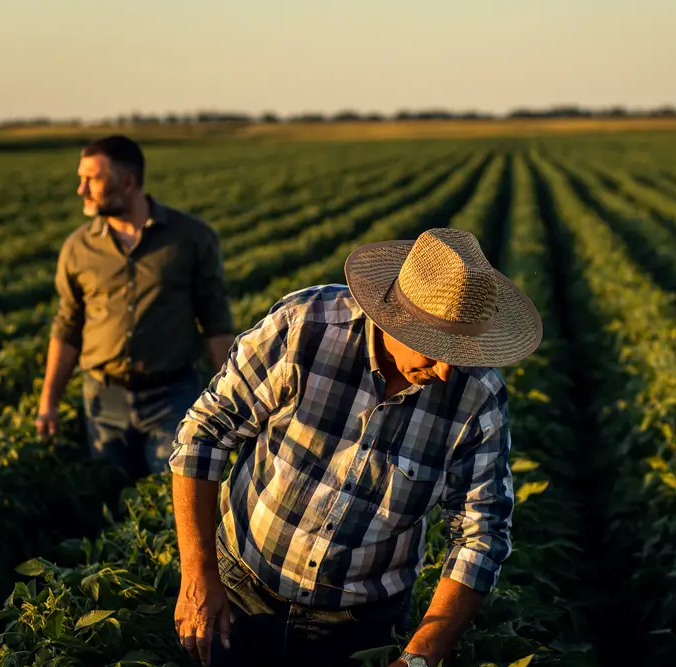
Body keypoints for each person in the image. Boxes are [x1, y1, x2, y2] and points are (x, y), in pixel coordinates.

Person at [169, 227, 543, 667]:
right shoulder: (303, 329)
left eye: (460, 351)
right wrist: (198, 572)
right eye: (434, 349)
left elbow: (481, 533)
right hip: (243, 592)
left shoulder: (478, 396)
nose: (445, 371)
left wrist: (423, 654)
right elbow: (204, 433)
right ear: (393, 318)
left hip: (361, 626)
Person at [36, 134, 236, 482]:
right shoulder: (78, 248)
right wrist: (48, 403)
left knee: (170, 496)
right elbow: (67, 326)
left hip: (172, 396)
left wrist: (233, 404)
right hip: (103, 399)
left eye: (92, 180)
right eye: (81, 179)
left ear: (127, 182)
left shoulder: (190, 238)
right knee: (115, 500)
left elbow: (215, 319)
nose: (81, 190)